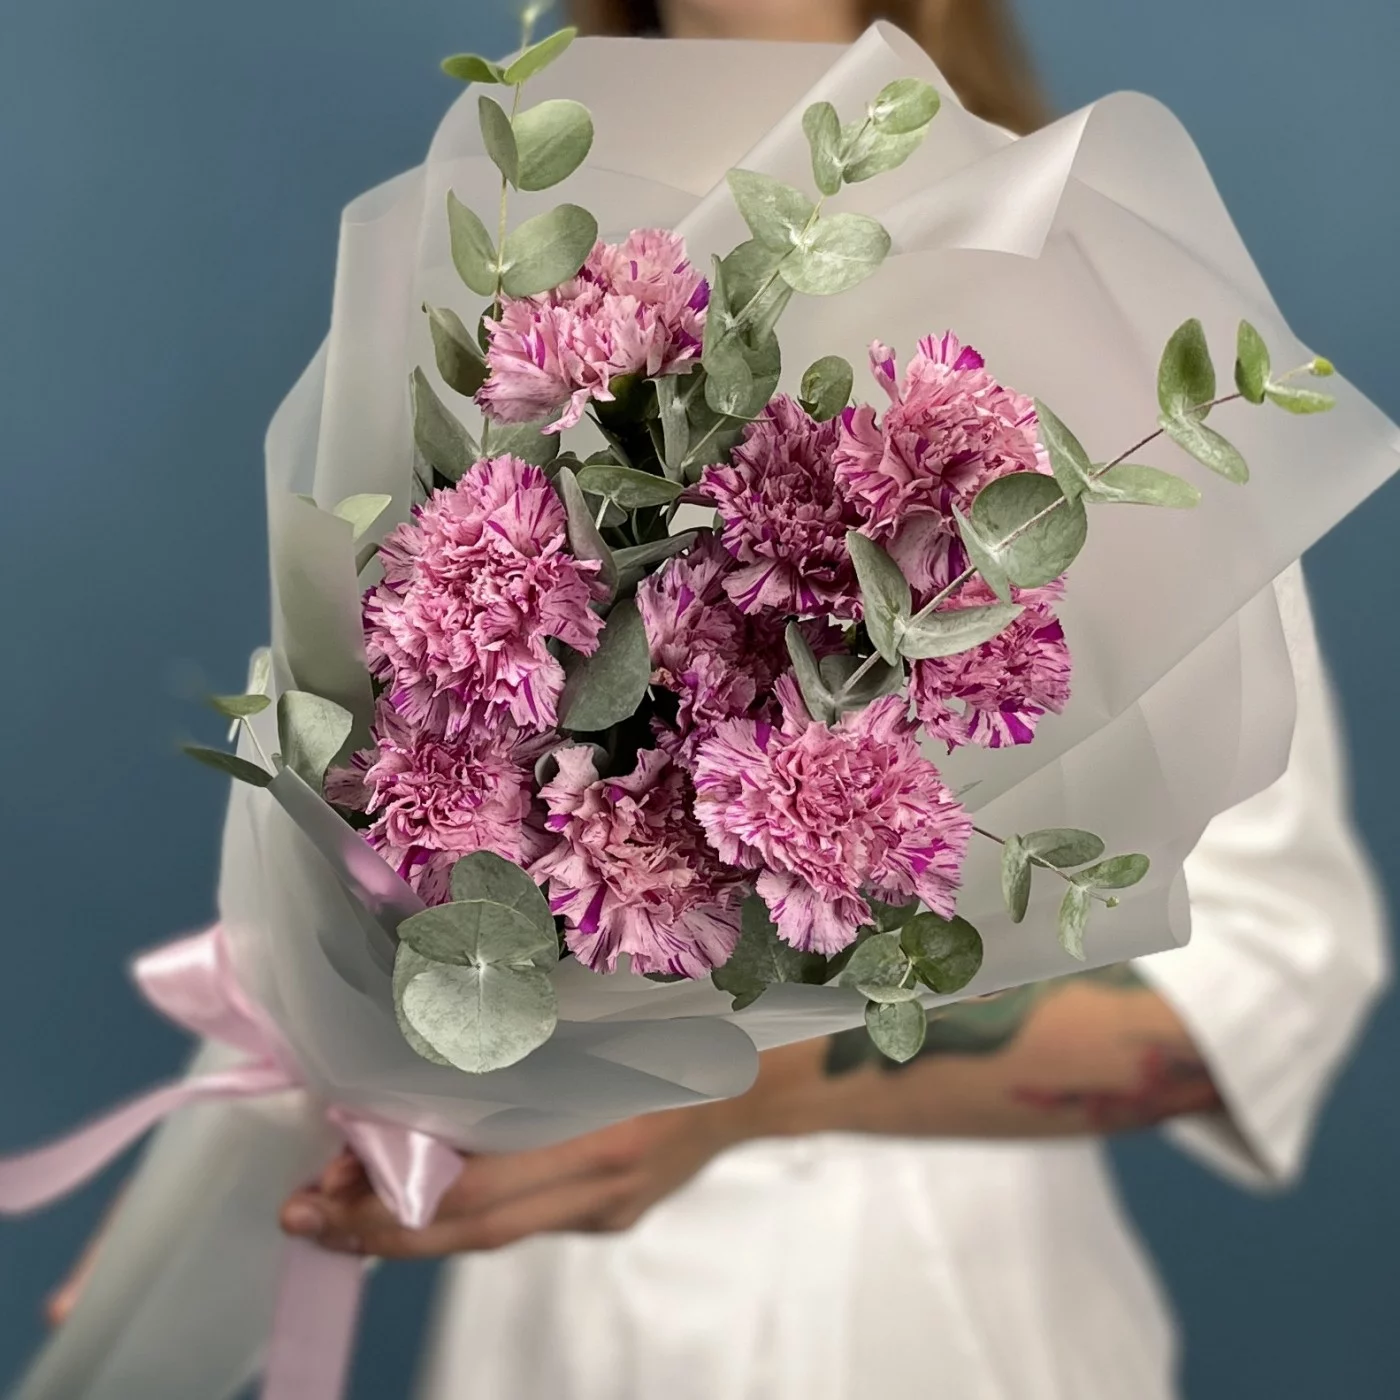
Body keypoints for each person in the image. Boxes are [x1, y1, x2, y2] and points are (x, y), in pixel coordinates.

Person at [271, 5, 1392, 1398]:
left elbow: (1270, 982)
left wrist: (728, 1105)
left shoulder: (1082, 334)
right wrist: (255, 1156)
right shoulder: (512, 296)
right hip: (551, 1313)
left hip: (916, 1312)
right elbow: (375, 828)